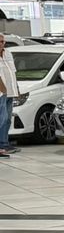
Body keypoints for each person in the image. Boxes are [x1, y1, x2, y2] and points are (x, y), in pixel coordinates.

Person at [0, 30, 18, 158]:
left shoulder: (8, 53)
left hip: (11, 91)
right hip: (1, 93)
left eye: (3, 41)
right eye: (0, 42)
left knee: (7, 120)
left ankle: (4, 143)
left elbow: (13, 72)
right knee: (2, 118)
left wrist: (17, 89)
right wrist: (3, 90)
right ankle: (1, 145)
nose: (2, 44)